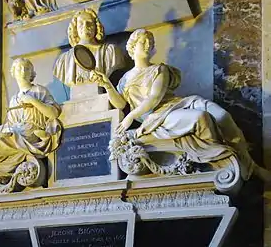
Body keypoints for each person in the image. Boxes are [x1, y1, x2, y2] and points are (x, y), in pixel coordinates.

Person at [90, 28, 256, 177]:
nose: (148, 45)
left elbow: (154, 97)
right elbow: (120, 104)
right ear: (132, 47)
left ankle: (248, 162)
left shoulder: (160, 70)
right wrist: (107, 85)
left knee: (223, 116)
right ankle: (220, 159)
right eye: (143, 42)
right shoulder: (125, 79)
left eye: (151, 42)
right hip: (157, 117)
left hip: (177, 105)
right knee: (201, 118)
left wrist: (131, 116)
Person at [0, 58, 62, 185]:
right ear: (13, 72)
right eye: (19, 68)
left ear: (32, 73)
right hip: (14, 135)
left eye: (27, 68)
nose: (23, 71)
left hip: (28, 136)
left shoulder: (39, 91)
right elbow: (9, 125)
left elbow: (53, 114)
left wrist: (32, 101)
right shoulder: (14, 99)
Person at [53, 8, 124, 87]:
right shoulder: (63, 60)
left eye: (89, 22)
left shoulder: (111, 52)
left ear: (96, 26)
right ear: (75, 28)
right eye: (81, 23)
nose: (85, 26)